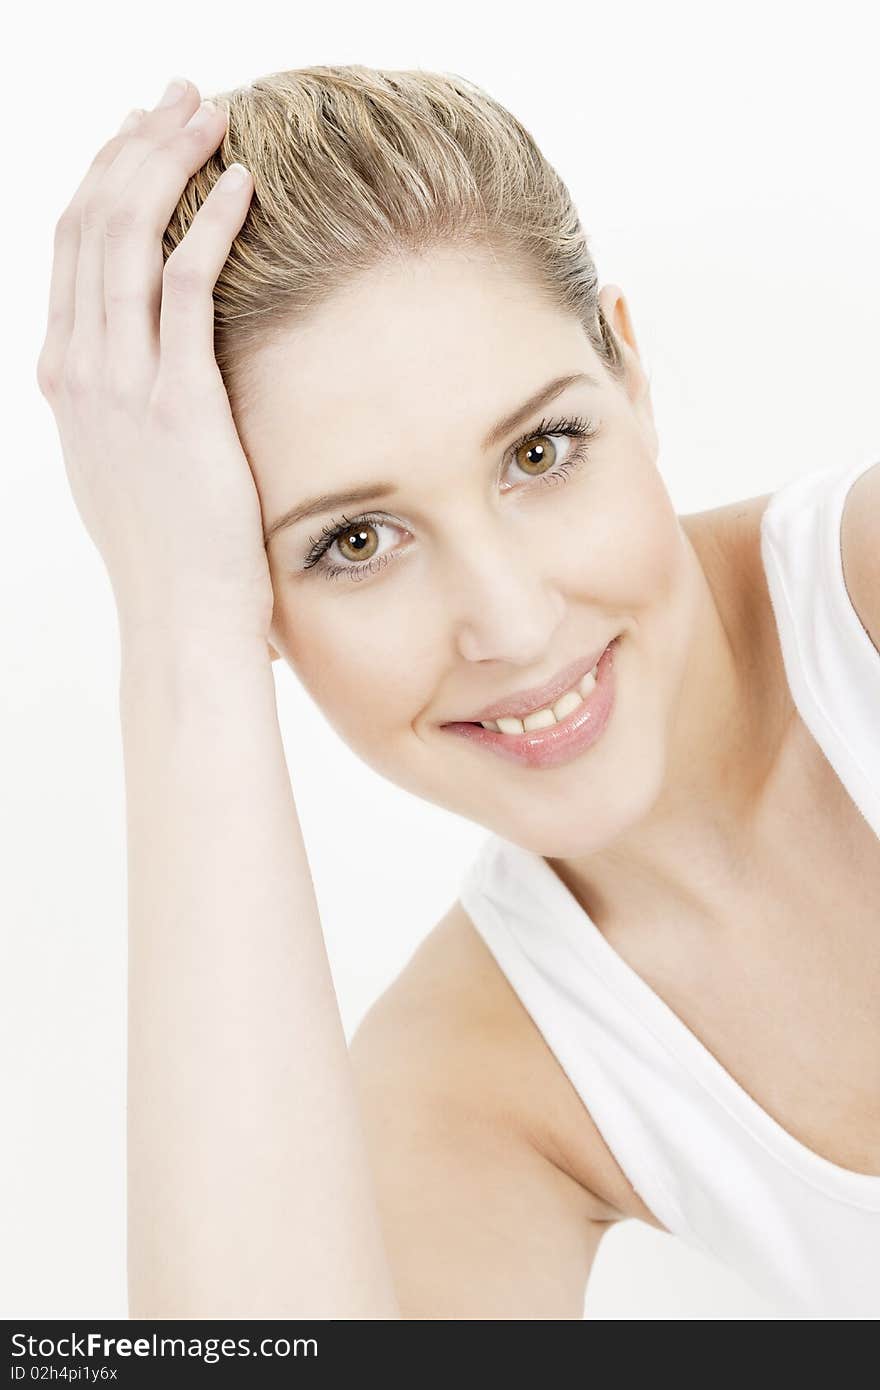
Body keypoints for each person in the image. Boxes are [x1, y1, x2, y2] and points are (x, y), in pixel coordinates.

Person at [35, 63, 880, 1321]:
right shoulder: (480, 1081)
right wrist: (178, 636)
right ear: (251, 598)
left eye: (541, 452)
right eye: (356, 541)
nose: (514, 622)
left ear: (631, 379)